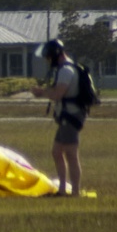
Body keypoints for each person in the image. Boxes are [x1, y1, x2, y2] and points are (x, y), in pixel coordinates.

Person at [31, 39, 82, 196]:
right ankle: (62, 189)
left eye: (48, 57)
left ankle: (74, 192)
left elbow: (58, 94)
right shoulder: (68, 67)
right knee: (57, 151)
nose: (48, 60)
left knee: (71, 154)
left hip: (71, 116)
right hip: (67, 116)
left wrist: (41, 93)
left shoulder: (66, 71)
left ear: (55, 55)